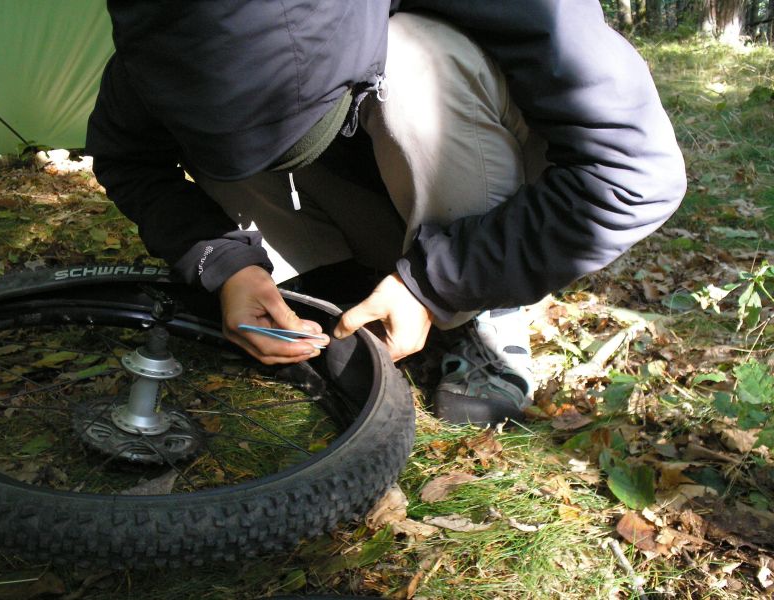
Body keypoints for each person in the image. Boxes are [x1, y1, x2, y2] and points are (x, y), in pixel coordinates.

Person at [86, 1, 686, 427]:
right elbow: (129, 158)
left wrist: (436, 284)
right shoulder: (170, 34)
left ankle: (479, 322)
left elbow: (638, 178)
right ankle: (340, 293)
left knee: (417, 57)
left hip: (484, 188)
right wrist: (224, 263)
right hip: (363, 188)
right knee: (214, 127)